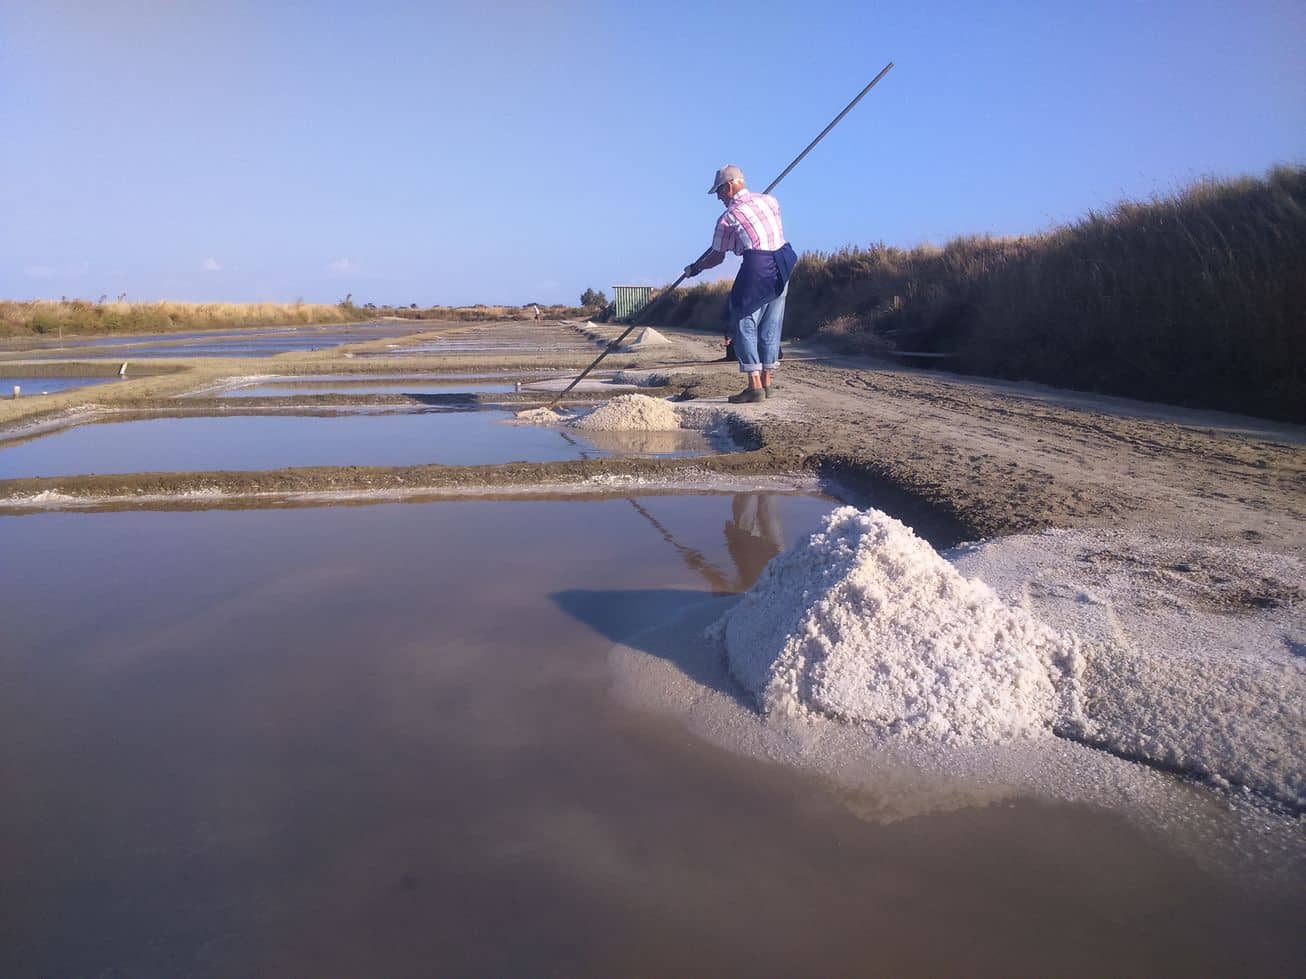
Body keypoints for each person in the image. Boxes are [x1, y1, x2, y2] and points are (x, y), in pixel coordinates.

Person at [684, 164, 796, 403]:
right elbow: (756, 231)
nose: (718, 197)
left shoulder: (728, 217)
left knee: (741, 319)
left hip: (759, 264)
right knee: (771, 323)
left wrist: (695, 268)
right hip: (784, 259)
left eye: (719, 191)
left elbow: (716, 257)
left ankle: (754, 385)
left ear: (730, 185)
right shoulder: (770, 200)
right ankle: (768, 382)